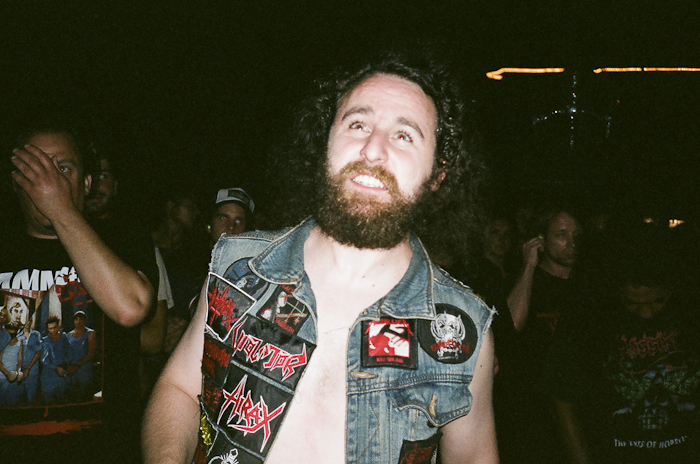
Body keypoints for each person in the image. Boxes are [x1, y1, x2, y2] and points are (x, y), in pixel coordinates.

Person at [143, 52, 497, 464]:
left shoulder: (460, 332)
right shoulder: (238, 266)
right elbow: (181, 388)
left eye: (404, 135)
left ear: (438, 174)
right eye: (358, 124)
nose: (372, 150)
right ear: (326, 141)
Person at [1, 124, 156, 463]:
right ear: (16, 181)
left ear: (86, 184)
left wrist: (59, 207)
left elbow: (130, 307)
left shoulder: (122, 238)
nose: (48, 181)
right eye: (35, 168)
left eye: (62, 168)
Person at [542, 228, 700, 463]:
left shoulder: (690, 314)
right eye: (633, 304)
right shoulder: (590, 318)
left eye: (658, 302)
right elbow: (563, 399)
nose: (646, 313)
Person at [500, 207, 582, 463]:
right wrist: (528, 266)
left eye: (576, 235)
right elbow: (511, 325)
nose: (572, 243)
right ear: (542, 241)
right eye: (561, 235)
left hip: (577, 401)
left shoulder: (588, 283)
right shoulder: (526, 281)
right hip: (532, 407)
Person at [66, 311, 97, 402]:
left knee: (85, 395)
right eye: (76, 319)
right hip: (71, 370)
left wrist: (77, 366)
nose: (78, 321)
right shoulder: (68, 335)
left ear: (84, 320)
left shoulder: (90, 333)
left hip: (84, 369)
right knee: (72, 395)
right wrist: (69, 366)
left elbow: (91, 353)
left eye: (81, 319)